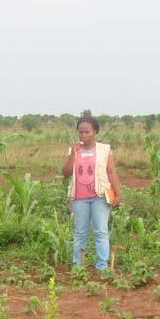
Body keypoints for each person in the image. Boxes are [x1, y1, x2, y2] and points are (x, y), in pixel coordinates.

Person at [61, 116, 122, 270]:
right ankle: (78, 265)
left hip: (100, 196)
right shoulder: (73, 150)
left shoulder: (104, 150)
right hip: (79, 198)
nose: (83, 135)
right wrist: (73, 154)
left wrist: (118, 194)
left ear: (95, 132)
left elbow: (111, 172)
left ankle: (102, 266)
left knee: (101, 231)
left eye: (87, 132)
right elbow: (66, 173)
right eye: (80, 132)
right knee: (80, 232)